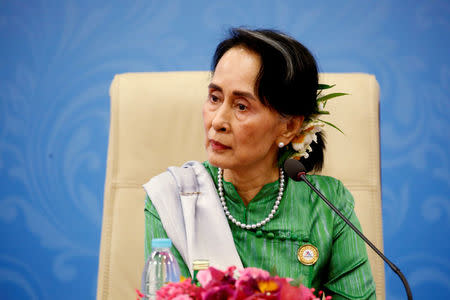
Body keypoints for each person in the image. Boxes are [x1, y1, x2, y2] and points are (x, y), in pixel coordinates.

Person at [143, 28, 376, 299]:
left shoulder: (327, 204)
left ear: (289, 126)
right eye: (215, 98)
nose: (217, 121)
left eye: (241, 106)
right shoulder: (174, 198)